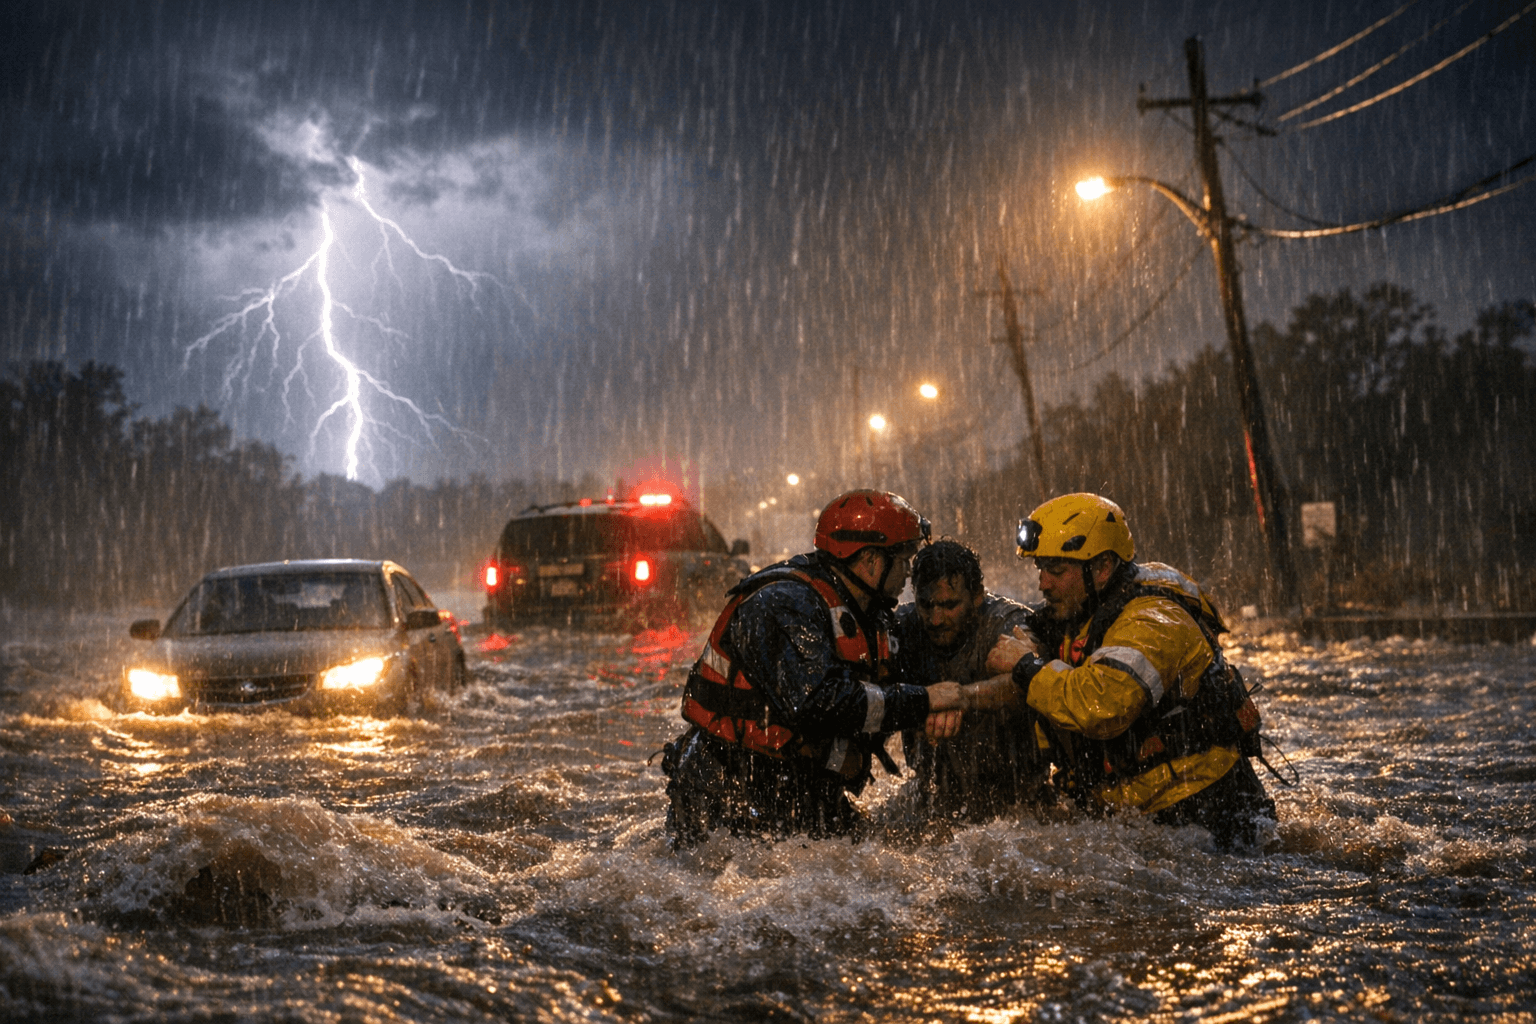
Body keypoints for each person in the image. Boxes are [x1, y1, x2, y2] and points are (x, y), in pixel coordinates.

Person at [930, 493, 1276, 850]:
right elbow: (1040, 629)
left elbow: (1102, 704)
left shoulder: (1154, 620)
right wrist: (962, 694)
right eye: (1040, 569)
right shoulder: (1086, 607)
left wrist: (1026, 666)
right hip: (1143, 820)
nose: (1043, 584)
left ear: (1102, 568)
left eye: (1057, 570)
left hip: (1209, 817)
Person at [661, 490, 964, 846]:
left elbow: (890, 683)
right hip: (727, 795)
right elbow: (818, 703)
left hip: (797, 791)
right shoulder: (782, 604)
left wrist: (948, 699)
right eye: (902, 558)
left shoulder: (871, 611)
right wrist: (923, 701)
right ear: (869, 560)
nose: (908, 570)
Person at [894, 540, 1048, 823]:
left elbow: (1035, 679)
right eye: (926, 605)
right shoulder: (902, 627)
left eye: (949, 605)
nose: (935, 619)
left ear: (978, 595)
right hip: (934, 801)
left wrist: (963, 697)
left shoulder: (1009, 621)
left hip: (1018, 807)